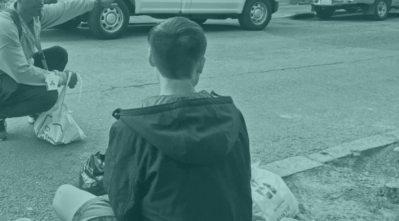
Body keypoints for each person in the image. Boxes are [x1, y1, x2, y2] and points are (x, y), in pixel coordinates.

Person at [52, 17, 253, 220]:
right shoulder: (233, 115)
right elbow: (243, 183)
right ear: (201, 64)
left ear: (151, 58)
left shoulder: (130, 129)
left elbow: (122, 205)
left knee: (63, 195)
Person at [0, 0, 120, 141]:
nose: (39, 0)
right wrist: (62, 77)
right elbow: (21, 72)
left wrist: (98, 2)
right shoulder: (4, 27)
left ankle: (33, 109)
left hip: (15, 70)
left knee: (58, 54)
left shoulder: (35, 15)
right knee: (48, 97)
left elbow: (66, 8)